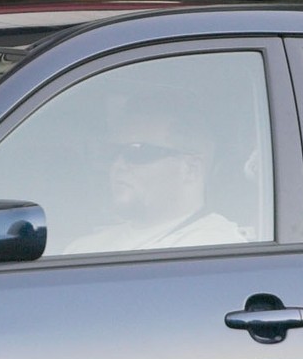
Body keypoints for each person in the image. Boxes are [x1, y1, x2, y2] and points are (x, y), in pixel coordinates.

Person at [59, 90, 248, 255]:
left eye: (137, 152)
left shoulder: (215, 250)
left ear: (190, 169)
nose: (118, 165)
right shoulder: (82, 247)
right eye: (113, 152)